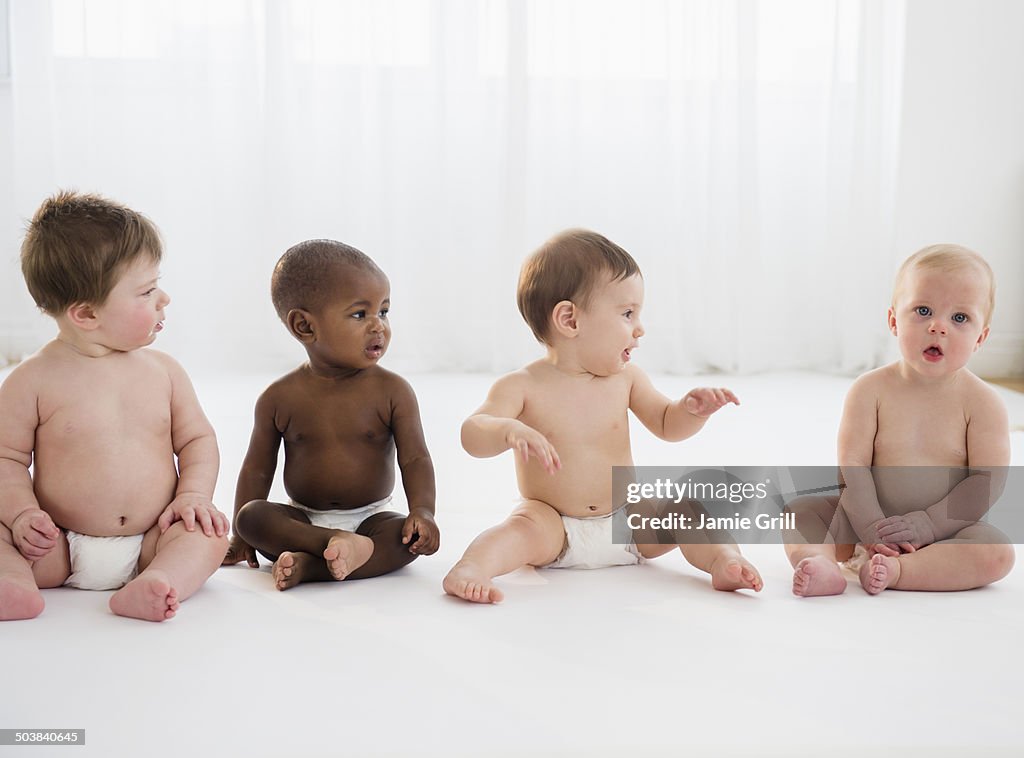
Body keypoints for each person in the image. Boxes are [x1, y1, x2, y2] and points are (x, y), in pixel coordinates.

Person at [443, 229, 762, 603]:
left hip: (627, 522)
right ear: (570, 320)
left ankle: (725, 559)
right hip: (553, 526)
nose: (639, 328)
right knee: (518, 530)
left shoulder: (626, 379)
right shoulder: (522, 385)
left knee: (684, 511)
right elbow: (473, 433)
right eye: (627, 314)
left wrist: (691, 412)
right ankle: (471, 568)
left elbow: (666, 424)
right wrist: (507, 430)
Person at [0, 191, 229, 622]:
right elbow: (5, 459)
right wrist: (22, 514)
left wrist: (194, 496)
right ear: (86, 314)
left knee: (208, 534)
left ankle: (159, 581)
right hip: (57, 546)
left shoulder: (164, 371)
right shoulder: (31, 380)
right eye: (146, 291)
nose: (164, 299)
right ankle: (13, 582)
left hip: (151, 539)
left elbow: (198, 439)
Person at [785, 244, 1015, 596]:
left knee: (997, 552)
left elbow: (985, 484)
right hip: (865, 523)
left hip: (945, 534)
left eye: (959, 318)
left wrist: (929, 525)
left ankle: (900, 570)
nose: (938, 327)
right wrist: (870, 524)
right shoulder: (870, 390)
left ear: (981, 338)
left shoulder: (983, 405)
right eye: (923, 311)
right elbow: (853, 466)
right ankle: (819, 561)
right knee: (799, 512)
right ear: (894, 320)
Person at [222, 240, 439, 590]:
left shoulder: (393, 391)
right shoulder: (279, 397)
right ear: (305, 327)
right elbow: (257, 468)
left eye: (383, 311)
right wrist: (240, 536)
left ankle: (311, 567)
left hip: (372, 519)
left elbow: (415, 458)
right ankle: (331, 546)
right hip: (303, 520)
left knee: (405, 540)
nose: (378, 326)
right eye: (359, 314)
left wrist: (423, 512)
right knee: (252, 517)